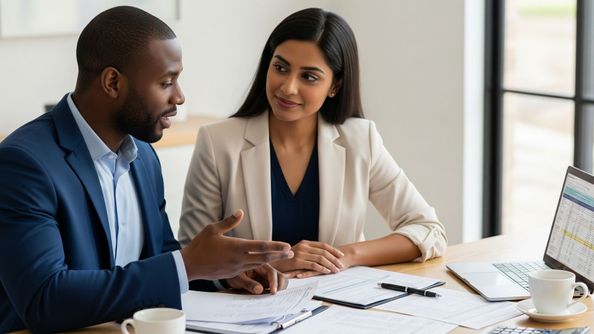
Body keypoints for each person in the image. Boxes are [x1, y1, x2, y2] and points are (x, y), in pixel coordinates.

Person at [0, 6, 293, 333]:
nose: (179, 97)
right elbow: (45, 299)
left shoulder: (143, 156)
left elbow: (159, 256)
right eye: (167, 82)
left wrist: (221, 273)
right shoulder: (24, 164)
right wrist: (187, 264)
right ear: (113, 82)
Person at [178, 7, 447, 279]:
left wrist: (345, 255)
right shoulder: (217, 142)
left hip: (337, 307)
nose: (287, 87)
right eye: (280, 68)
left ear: (334, 86)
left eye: (309, 76)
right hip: (248, 309)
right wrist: (272, 265)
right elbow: (192, 257)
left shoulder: (360, 139)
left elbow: (429, 230)